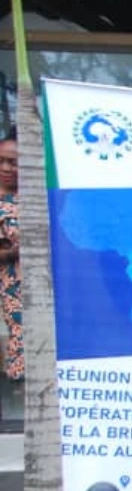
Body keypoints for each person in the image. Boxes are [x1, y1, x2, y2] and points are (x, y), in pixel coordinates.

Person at [0, 130, 20, 383]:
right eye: (1, 160)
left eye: (14, 162)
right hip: (12, 285)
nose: (6, 167)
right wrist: (12, 252)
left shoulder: (40, 197)